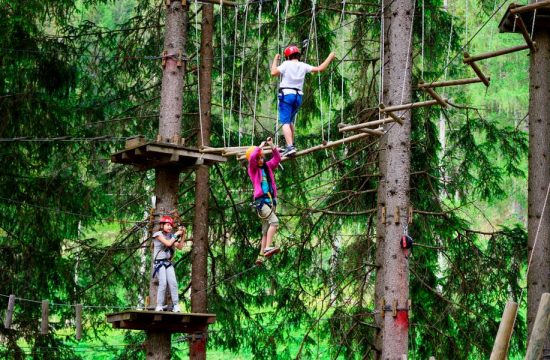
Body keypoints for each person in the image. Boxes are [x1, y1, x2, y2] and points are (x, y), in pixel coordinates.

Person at [271, 45, 336, 157]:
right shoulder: (303, 65)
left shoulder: (286, 64)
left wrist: (275, 60)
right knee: (290, 121)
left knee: (285, 122)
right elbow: (320, 69)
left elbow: (273, 72)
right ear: (298, 56)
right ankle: (291, 145)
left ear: (287, 57)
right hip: (298, 97)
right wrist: (330, 57)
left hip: (286, 95)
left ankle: (290, 147)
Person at [246, 137, 281, 265]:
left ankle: (260, 256)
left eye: (262, 157)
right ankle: (267, 248)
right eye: (258, 158)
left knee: (265, 231)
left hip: (271, 201)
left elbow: (277, 159)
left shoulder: (268, 167)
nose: (260, 159)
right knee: (275, 222)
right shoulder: (253, 170)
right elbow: (252, 158)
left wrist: (272, 145)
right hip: (261, 201)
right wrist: (259, 147)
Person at [152, 215, 188, 312]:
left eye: (171, 225)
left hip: (168, 263)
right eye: (167, 225)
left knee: (173, 283)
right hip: (159, 263)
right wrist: (177, 233)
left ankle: (176, 305)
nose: (170, 227)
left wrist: (183, 235)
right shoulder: (157, 234)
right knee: (163, 283)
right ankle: (159, 305)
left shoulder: (171, 236)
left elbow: (179, 246)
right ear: (162, 225)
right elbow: (168, 243)